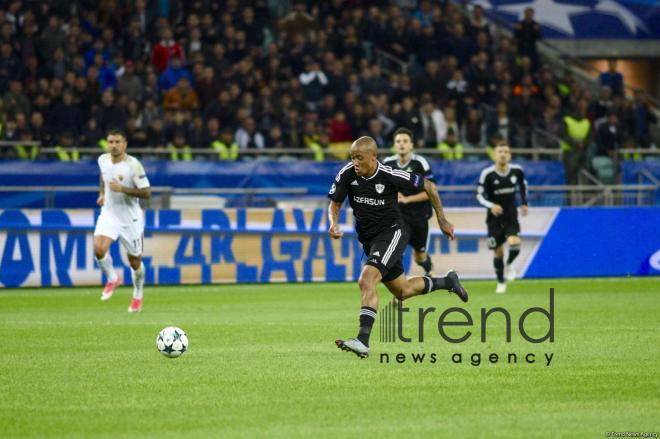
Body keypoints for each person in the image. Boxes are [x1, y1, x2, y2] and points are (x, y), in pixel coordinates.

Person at [328, 136, 468, 359]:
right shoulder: (347, 173)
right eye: (353, 157)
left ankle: (362, 341)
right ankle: (448, 281)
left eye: (360, 158)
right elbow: (335, 203)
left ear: (373, 157)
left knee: (366, 279)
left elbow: (429, 186)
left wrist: (442, 220)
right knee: (402, 291)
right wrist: (333, 223)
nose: (355, 162)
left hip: (392, 233)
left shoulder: (390, 175)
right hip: (369, 240)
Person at [93, 129, 151, 312]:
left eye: (118, 142)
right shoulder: (102, 160)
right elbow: (104, 176)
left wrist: (122, 189)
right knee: (99, 249)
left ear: (125, 144)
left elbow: (147, 192)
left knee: (135, 262)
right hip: (109, 214)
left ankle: (138, 294)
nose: (114, 145)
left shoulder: (133, 165)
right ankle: (112, 278)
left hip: (130, 219)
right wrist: (102, 193)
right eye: (110, 142)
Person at [382, 128, 435, 276]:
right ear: (394, 144)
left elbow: (431, 190)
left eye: (405, 141)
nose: (401, 144)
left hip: (419, 216)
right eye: (398, 141)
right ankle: (400, 284)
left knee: (420, 256)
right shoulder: (387, 163)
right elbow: (381, 187)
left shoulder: (421, 163)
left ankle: (430, 271)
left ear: (411, 145)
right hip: (398, 216)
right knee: (397, 250)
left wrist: (407, 199)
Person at [476, 143, 528, 294]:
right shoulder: (487, 174)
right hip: (494, 218)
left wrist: (524, 203)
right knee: (498, 252)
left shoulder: (517, 171)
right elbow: (479, 195)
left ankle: (510, 263)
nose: (503, 154)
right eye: (500, 151)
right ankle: (500, 282)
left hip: (510, 214)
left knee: (514, 242)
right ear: (494, 154)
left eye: (506, 151)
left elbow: (523, 186)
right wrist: (491, 205)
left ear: (510, 155)